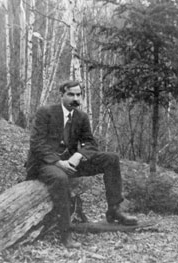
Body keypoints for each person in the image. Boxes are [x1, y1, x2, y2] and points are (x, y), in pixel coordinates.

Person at [26, 80, 138, 248]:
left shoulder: (81, 117)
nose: (75, 98)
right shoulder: (46, 112)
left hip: (70, 162)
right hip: (44, 163)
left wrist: (78, 155)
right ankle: (66, 232)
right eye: (71, 94)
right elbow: (37, 144)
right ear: (61, 95)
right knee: (61, 178)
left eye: (78, 95)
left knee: (111, 158)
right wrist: (58, 162)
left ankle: (114, 209)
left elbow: (90, 143)